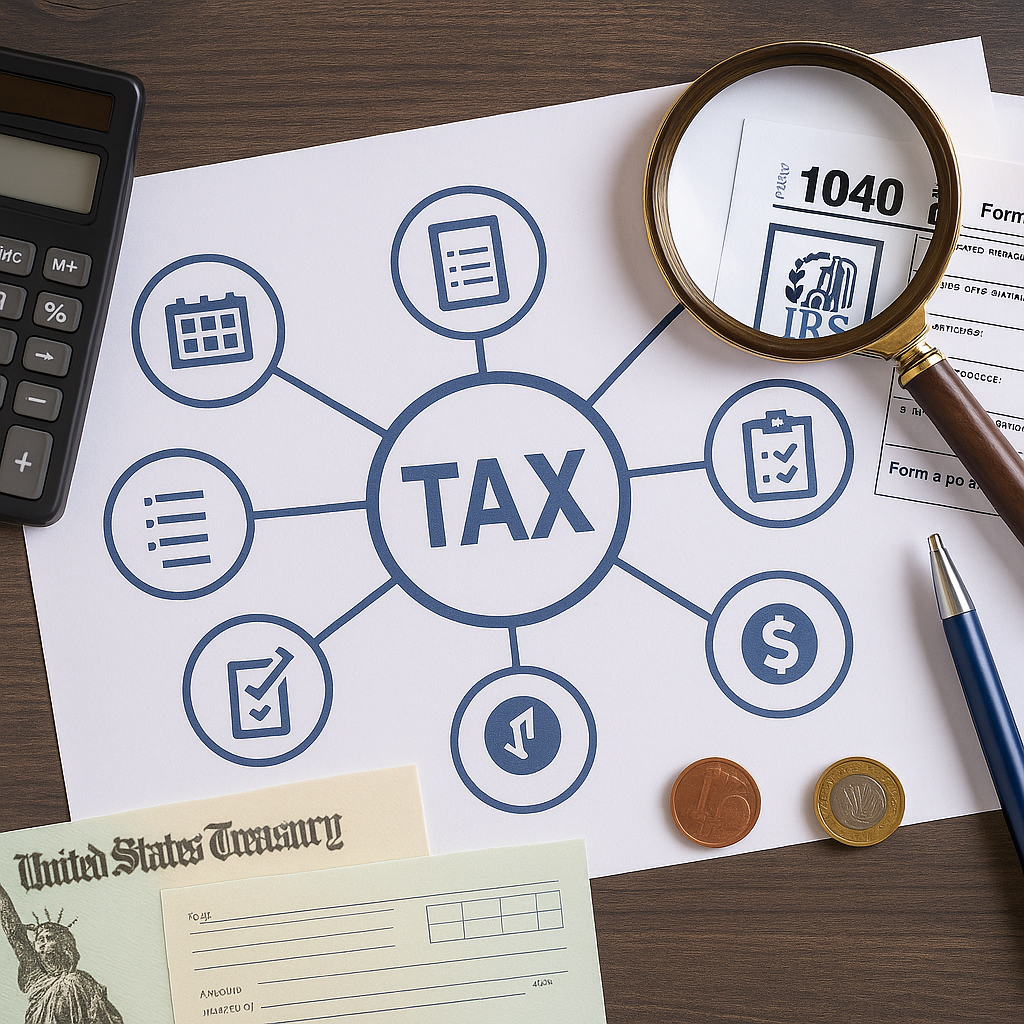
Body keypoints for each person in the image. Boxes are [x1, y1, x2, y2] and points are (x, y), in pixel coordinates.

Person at [0, 877, 123, 1024]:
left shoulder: (82, 982)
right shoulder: (37, 978)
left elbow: (106, 1018)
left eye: (49, 937)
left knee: (73, 980)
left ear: (64, 945)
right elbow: (14, 932)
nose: (43, 944)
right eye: (40, 940)